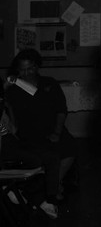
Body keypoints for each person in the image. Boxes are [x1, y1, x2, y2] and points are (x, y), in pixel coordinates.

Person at [4, 49, 77, 203]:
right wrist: (6, 86)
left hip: (52, 128)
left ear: (36, 67)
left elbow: (61, 110)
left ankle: (54, 183)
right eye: (22, 70)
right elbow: (7, 111)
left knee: (69, 148)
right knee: (47, 154)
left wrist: (57, 132)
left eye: (30, 68)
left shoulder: (49, 83)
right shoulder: (15, 88)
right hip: (29, 132)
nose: (26, 73)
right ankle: (52, 186)